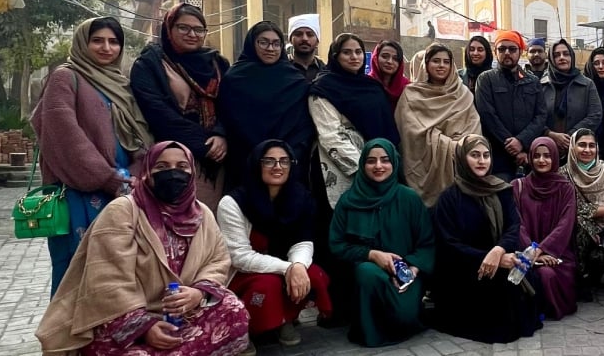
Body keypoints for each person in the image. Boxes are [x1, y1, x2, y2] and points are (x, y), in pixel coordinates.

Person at [36, 141, 251, 356]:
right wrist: (143, 326)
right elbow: (107, 280)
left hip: (181, 312)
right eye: (162, 167)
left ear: (192, 172)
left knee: (233, 310)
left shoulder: (201, 213)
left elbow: (217, 260)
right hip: (120, 316)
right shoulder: (123, 210)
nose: (173, 173)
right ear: (147, 171)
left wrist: (197, 293)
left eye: (182, 167)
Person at [32, 17, 152, 294]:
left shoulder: (121, 84)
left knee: (120, 271)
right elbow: (64, 137)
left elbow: (139, 135)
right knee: (78, 271)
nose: (106, 48)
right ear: (83, 43)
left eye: (114, 42)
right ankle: (72, 336)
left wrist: (133, 174)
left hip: (124, 191)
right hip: (79, 191)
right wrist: (107, 178)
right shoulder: (65, 77)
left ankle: (115, 334)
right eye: (97, 40)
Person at [218, 140, 331, 347]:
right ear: (256, 164)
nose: (277, 167)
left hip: (281, 267)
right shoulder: (233, 203)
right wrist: (289, 268)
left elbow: (304, 240)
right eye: (269, 161)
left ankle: (284, 318)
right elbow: (239, 256)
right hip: (244, 273)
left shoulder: (300, 197)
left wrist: (297, 266)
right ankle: (243, 329)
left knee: (313, 275)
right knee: (267, 285)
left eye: (284, 161)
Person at [431, 135, 540, 343]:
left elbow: (513, 226)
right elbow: (449, 245)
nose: (482, 161)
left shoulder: (501, 190)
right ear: (462, 159)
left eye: (486, 155)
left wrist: (499, 251)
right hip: (465, 270)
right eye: (474, 155)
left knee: (524, 284)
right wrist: (489, 258)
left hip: (498, 260)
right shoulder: (449, 198)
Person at [330, 138, 435, 347]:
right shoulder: (348, 202)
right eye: (371, 161)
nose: (378, 166)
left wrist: (411, 270)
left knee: (404, 317)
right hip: (366, 277)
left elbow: (427, 243)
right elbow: (337, 244)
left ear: (394, 163)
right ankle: (369, 331)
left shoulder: (409, 198)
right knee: (367, 272)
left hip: (406, 274)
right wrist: (372, 255)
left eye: (385, 160)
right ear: (362, 165)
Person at [130, 3, 231, 210]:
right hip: (172, 159)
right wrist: (205, 144)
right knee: (176, 220)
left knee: (210, 222)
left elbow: (233, 103)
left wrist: (221, 134)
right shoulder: (150, 64)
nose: (192, 34)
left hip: (218, 160)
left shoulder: (217, 63)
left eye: (198, 29)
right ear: (169, 29)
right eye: (183, 28)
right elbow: (156, 111)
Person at [219, 21, 314, 187]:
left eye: (276, 43)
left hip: (286, 161)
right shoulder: (234, 79)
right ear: (251, 43)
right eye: (263, 42)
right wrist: (260, 154)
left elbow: (303, 124)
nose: (271, 48)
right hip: (245, 160)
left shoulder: (295, 81)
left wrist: (283, 154)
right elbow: (227, 119)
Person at [309, 33, 398, 208]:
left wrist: (382, 164)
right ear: (336, 56)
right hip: (343, 167)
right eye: (347, 52)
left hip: (381, 165)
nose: (354, 57)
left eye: (358, 52)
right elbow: (330, 135)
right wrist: (365, 169)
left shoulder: (371, 86)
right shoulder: (322, 88)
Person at [396, 43, 483, 206]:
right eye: (436, 61)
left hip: (459, 168)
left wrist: (458, 147)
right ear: (426, 64)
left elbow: (473, 131)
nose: (441, 65)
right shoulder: (410, 95)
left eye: (446, 61)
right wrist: (450, 144)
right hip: (422, 169)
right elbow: (410, 135)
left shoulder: (462, 93)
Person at [512, 136, 578, 319]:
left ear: (555, 158)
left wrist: (543, 250)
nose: (542, 160)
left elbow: (565, 224)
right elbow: (516, 224)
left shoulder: (565, 188)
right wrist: (532, 252)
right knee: (540, 273)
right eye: (537, 156)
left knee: (548, 275)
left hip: (558, 253)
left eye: (547, 156)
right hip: (525, 253)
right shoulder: (518, 187)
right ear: (530, 158)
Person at [561, 128, 604, 298]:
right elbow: (573, 209)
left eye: (592, 145)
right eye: (581, 145)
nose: (587, 150)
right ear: (572, 148)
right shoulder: (564, 174)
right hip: (580, 229)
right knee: (578, 222)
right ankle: (581, 278)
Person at [475, 30, 549, 179]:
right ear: (496, 52)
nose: (507, 52)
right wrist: (513, 146)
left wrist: (522, 141)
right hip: (497, 155)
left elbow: (541, 116)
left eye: (512, 49)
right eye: (502, 49)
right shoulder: (486, 79)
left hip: (528, 155)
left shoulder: (532, 81)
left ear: (520, 52)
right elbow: (488, 115)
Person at [368, 40, 411, 111]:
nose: (390, 61)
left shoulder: (407, 87)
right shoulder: (366, 84)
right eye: (385, 56)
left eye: (395, 59)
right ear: (376, 58)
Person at [287, 13, 325, 81]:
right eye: (298, 34)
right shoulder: (281, 69)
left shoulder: (325, 72)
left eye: (310, 35)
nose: (305, 38)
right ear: (290, 40)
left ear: (317, 41)